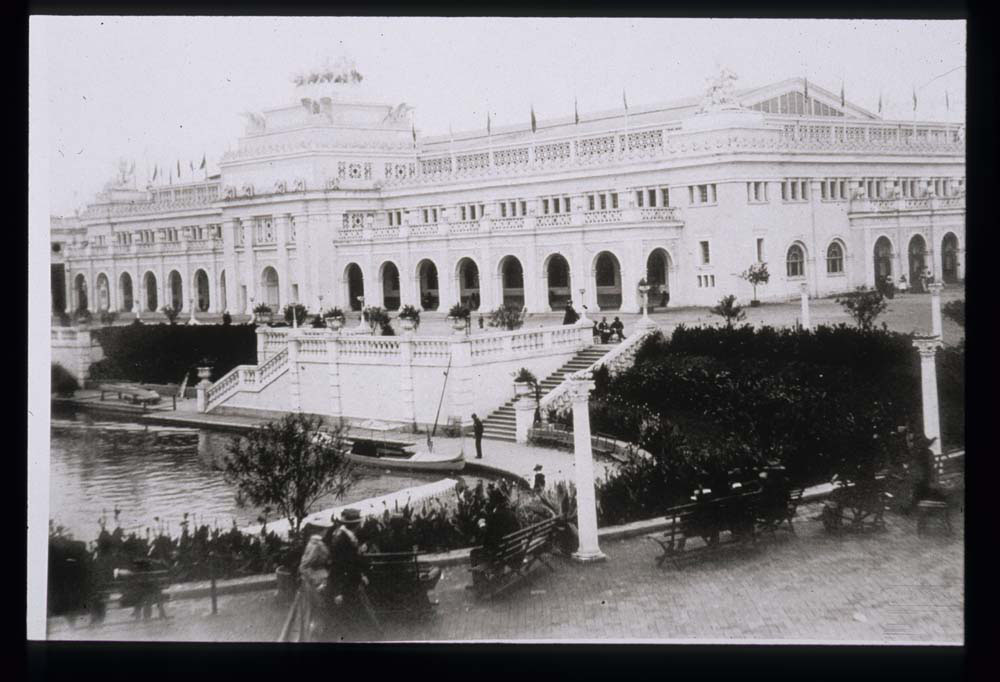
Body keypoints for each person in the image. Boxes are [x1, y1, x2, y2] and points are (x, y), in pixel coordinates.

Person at [324, 508, 381, 638]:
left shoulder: (347, 537)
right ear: (356, 524)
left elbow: (351, 562)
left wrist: (361, 574)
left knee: (355, 618)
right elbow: (338, 566)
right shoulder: (343, 540)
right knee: (352, 618)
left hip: (351, 582)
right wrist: (338, 591)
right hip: (345, 584)